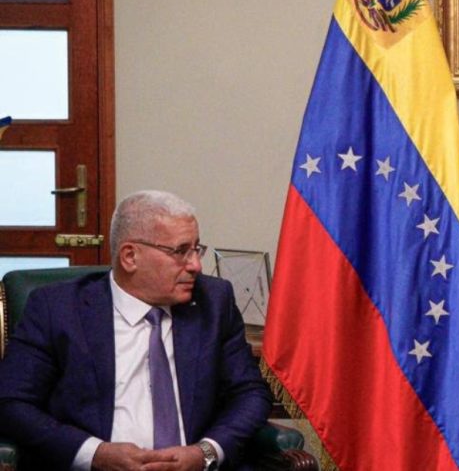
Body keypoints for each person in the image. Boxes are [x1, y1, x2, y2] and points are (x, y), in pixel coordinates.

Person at [0, 190, 272, 471]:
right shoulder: (57, 309)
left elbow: (250, 394)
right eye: (181, 251)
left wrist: (204, 453)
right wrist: (95, 454)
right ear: (130, 257)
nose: (196, 265)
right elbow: (11, 402)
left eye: (196, 249)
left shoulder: (213, 302)